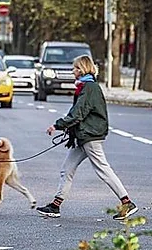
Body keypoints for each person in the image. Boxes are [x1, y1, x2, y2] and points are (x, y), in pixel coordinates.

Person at [36, 55, 138, 220]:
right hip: (83, 135)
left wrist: (58, 125)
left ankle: (127, 202)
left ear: (82, 69)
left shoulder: (89, 87)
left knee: (103, 169)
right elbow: (76, 111)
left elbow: (79, 112)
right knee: (67, 169)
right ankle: (55, 206)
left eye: (75, 68)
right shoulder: (85, 86)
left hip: (90, 135)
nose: (73, 71)